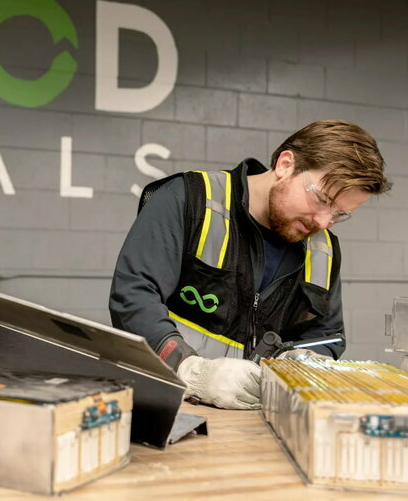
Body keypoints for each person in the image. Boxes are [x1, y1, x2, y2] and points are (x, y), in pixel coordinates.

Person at [109, 120, 391, 410]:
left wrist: (302, 364)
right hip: (170, 403)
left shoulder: (324, 250)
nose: (322, 222)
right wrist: (189, 371)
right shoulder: (190, 199)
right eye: (321, 199)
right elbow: (134, 295)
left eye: (339, 214)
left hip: (255, 422)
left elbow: (326, 336)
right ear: (285, 164)